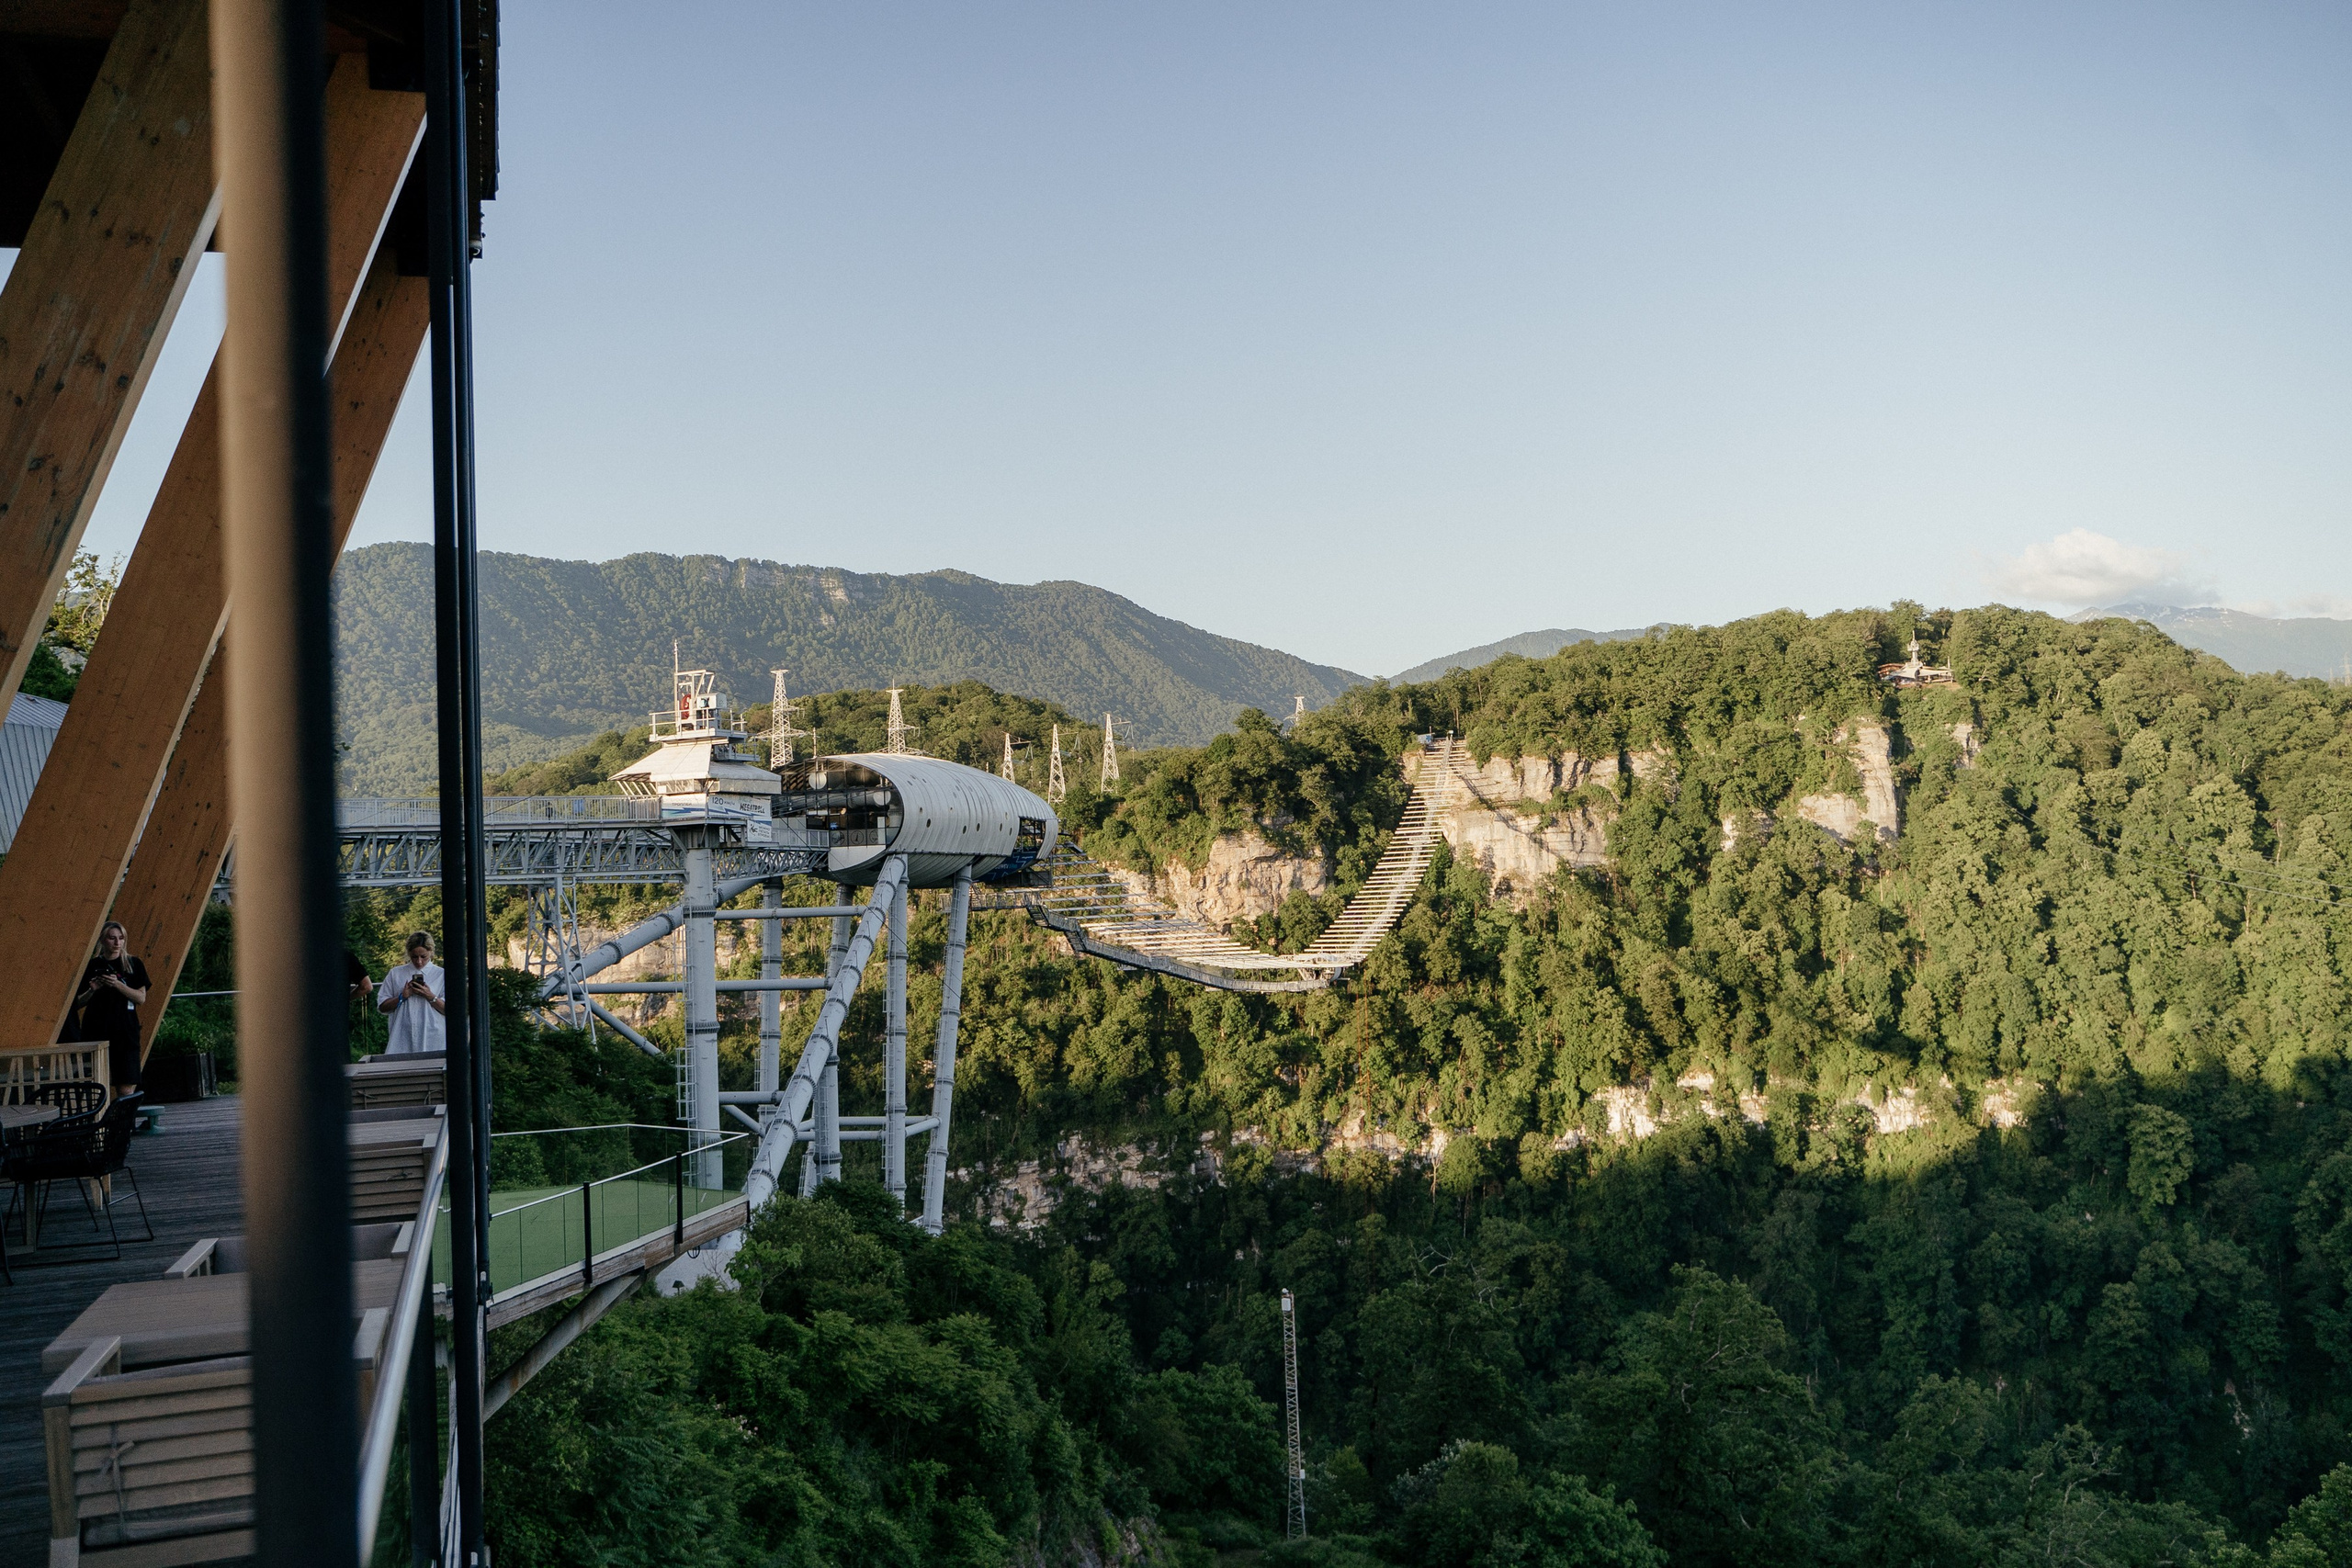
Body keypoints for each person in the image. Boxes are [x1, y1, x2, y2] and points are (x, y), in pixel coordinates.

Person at [74, 920, 151, 1096]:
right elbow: (77, 1003)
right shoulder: (91, 966)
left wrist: (117, 985)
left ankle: (125, 1122)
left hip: (125, 1030)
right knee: (95, 1084)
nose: (117, 943)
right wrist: (92, 990)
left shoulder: (133, 964)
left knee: (126, 1084)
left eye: (121, 938)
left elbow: (141, 998)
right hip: (97, 1029)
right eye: (112, 938)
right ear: (102, 940)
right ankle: (100, 1121)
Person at [375, 931, 447, 1055]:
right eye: (414, 957)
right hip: (402, 1037)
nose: (419, 961)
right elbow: (382, 1007)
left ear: (431, 952)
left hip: (433, 1038)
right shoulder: (395, 973)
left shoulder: (441, 974)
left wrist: (430, 995)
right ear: (409, 954)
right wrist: (402, 997)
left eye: (423, 957)